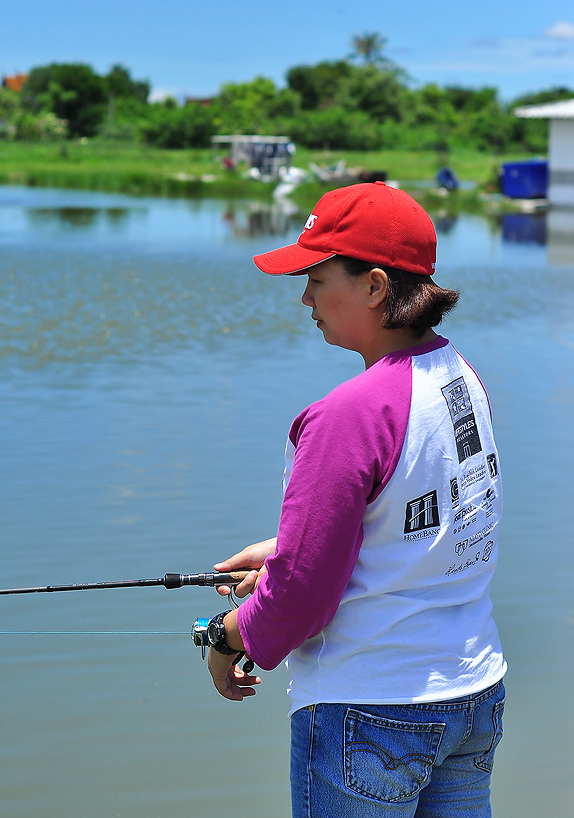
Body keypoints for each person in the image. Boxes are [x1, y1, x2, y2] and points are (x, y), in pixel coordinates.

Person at [206, 182, 506, 818]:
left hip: (371, 711)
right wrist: (290, 549)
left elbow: (301, 599)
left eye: (317, 277)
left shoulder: (345, 416)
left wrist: (227, 636)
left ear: (374, 286)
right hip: (473, 692)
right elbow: (436, 520)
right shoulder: (459, 378)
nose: (305, 296)